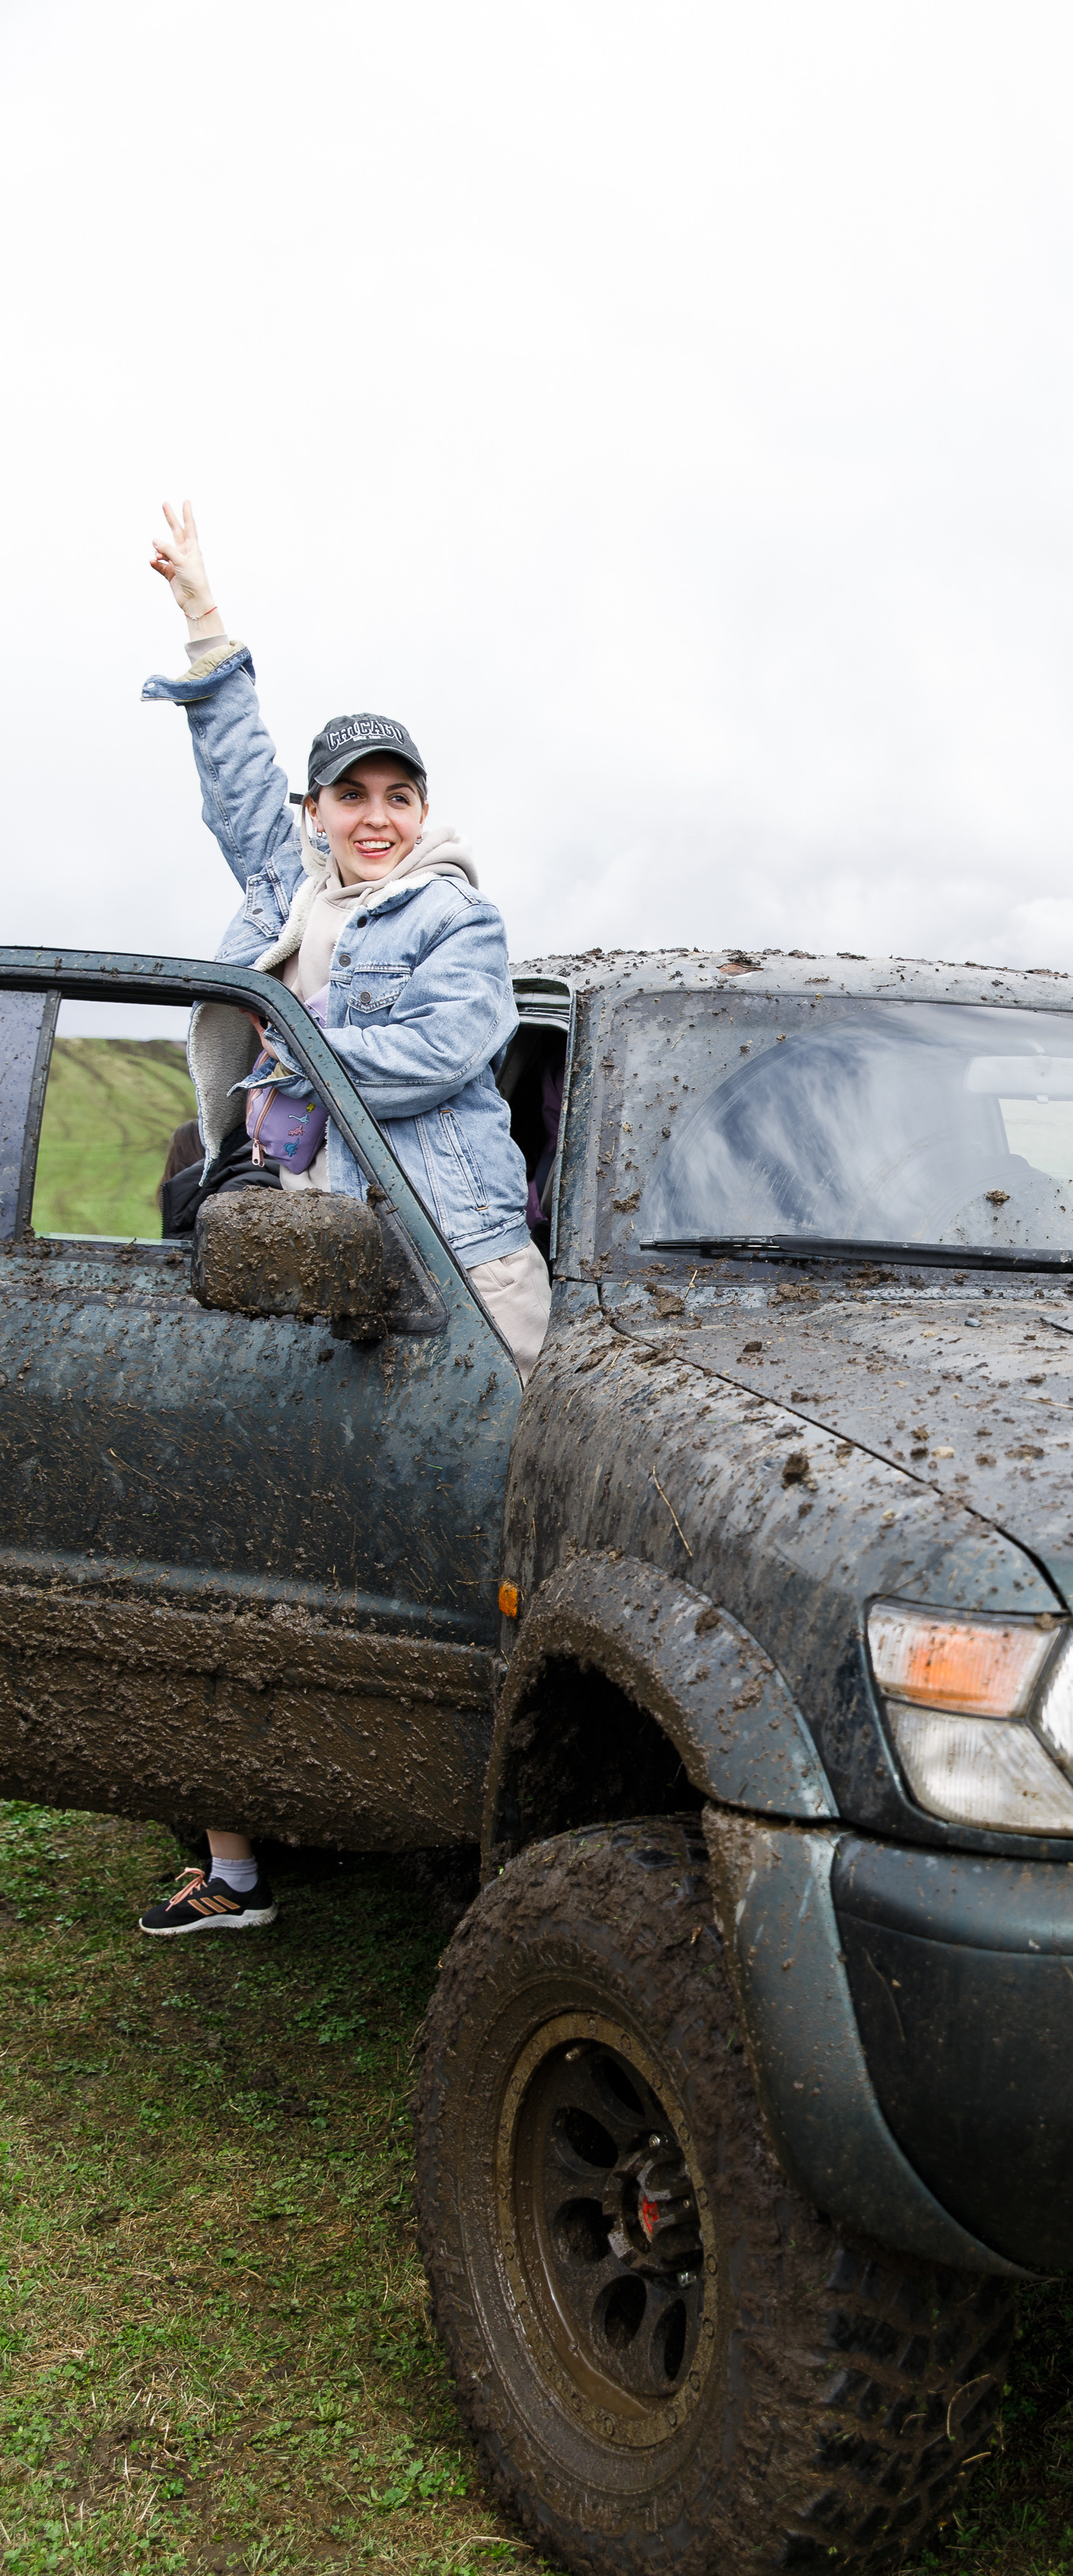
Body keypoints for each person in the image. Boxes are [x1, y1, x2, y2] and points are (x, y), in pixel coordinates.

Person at [135, 499, 552, 1938]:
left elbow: (448, 1049)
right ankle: (238, 1862)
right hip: (300, 1256)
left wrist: (284, 1050)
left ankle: (510, 1854)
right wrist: (204, 619)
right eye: (349, 796)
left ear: (420, 814)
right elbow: (234, 778)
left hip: (455, 1256)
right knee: (256, 1529)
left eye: (397, 795)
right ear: (320, 814)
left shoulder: (454, 917)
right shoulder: (287, 886)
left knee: (506, 1528)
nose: (374, 818)